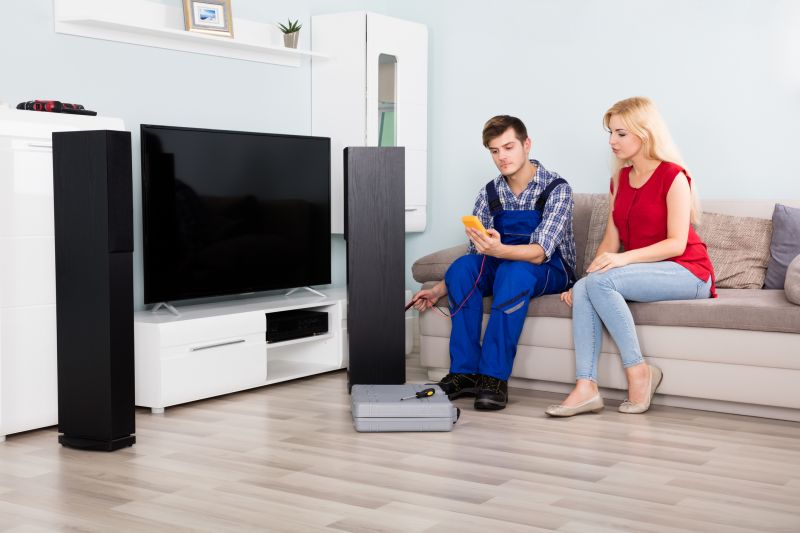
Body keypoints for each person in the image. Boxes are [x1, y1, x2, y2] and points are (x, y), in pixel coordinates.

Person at [545, 96, 716, 417]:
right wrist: (582, 280)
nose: (612, 141)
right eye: (610, 132)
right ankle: (586, 387)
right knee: (586, 286)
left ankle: (639, 372)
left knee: (600, 283)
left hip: (689, 271)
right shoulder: (619, 180)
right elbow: (611, 239)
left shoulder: (673, 175)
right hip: (650, 269)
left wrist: (623, 260)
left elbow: (677, 244)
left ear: (645, 133)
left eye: (621, 133)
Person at [412, 115, 576, 410]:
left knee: (514, 273)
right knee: (462, 268)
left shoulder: (556, 188)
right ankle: (464, 373)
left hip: (548, 269)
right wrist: (438, 290)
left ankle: (493, 377)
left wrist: (498, 251)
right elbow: (477, 257)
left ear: (527, 144)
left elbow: (539, 252)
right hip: (503, 262)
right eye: (494, 151)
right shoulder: (489, 193)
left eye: (509, 147)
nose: (502, 157)